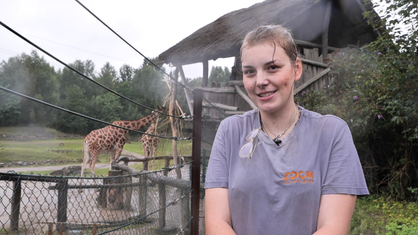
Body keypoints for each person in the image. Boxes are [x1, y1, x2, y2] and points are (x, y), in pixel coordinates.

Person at [204, 24, 369, 235]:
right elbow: (216, 223)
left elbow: (333, 228)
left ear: (296, 69)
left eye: (272, 67)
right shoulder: (230, 132)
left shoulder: (332, 133)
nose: (260, 81)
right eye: (249, 72)